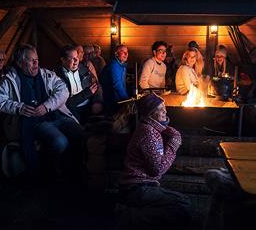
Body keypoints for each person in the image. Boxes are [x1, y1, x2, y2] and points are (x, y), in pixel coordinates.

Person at [0, 44, 85, 176]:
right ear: (20, 63)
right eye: (31, 60)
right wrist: (19, 107)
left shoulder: (46, 75)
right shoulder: (10, 79)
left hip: (56, 115)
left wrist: (47, 106)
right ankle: (50, 169)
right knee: (60, 141)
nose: (36, 63)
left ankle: (72, 169)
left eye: (37, 59)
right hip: (35, 122)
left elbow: (63, 90)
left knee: (82, 133)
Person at [117, 93, 191, 229]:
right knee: (183, 203)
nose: (165, 111)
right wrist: (173, 145)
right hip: (136, 188)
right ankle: (130, 217)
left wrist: (171, 133)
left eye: (165, 107)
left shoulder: (149, 127)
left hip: (140, 186)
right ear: (151, 113)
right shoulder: (148, 133)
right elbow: (158, 169)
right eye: (161, 109)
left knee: (180, 204)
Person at [56, 45, 103, 124]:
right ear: (63, 60)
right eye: (71, 58)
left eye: (76, 57)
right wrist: (87, 93)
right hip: (71, 111)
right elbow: (65, 103)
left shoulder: (83, 68)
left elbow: (96, 84)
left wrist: (97, 101)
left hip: (89, 106)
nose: (76, 60)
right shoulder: (57, 76)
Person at [100, 45, 129, 114]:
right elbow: (117, 84)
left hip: (118, 99)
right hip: (112, 100)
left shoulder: (120, 65)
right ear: (116, 54)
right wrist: (127, 99)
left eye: (127, 52)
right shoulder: (114, 65)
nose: (126, 54)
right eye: (123, 52)